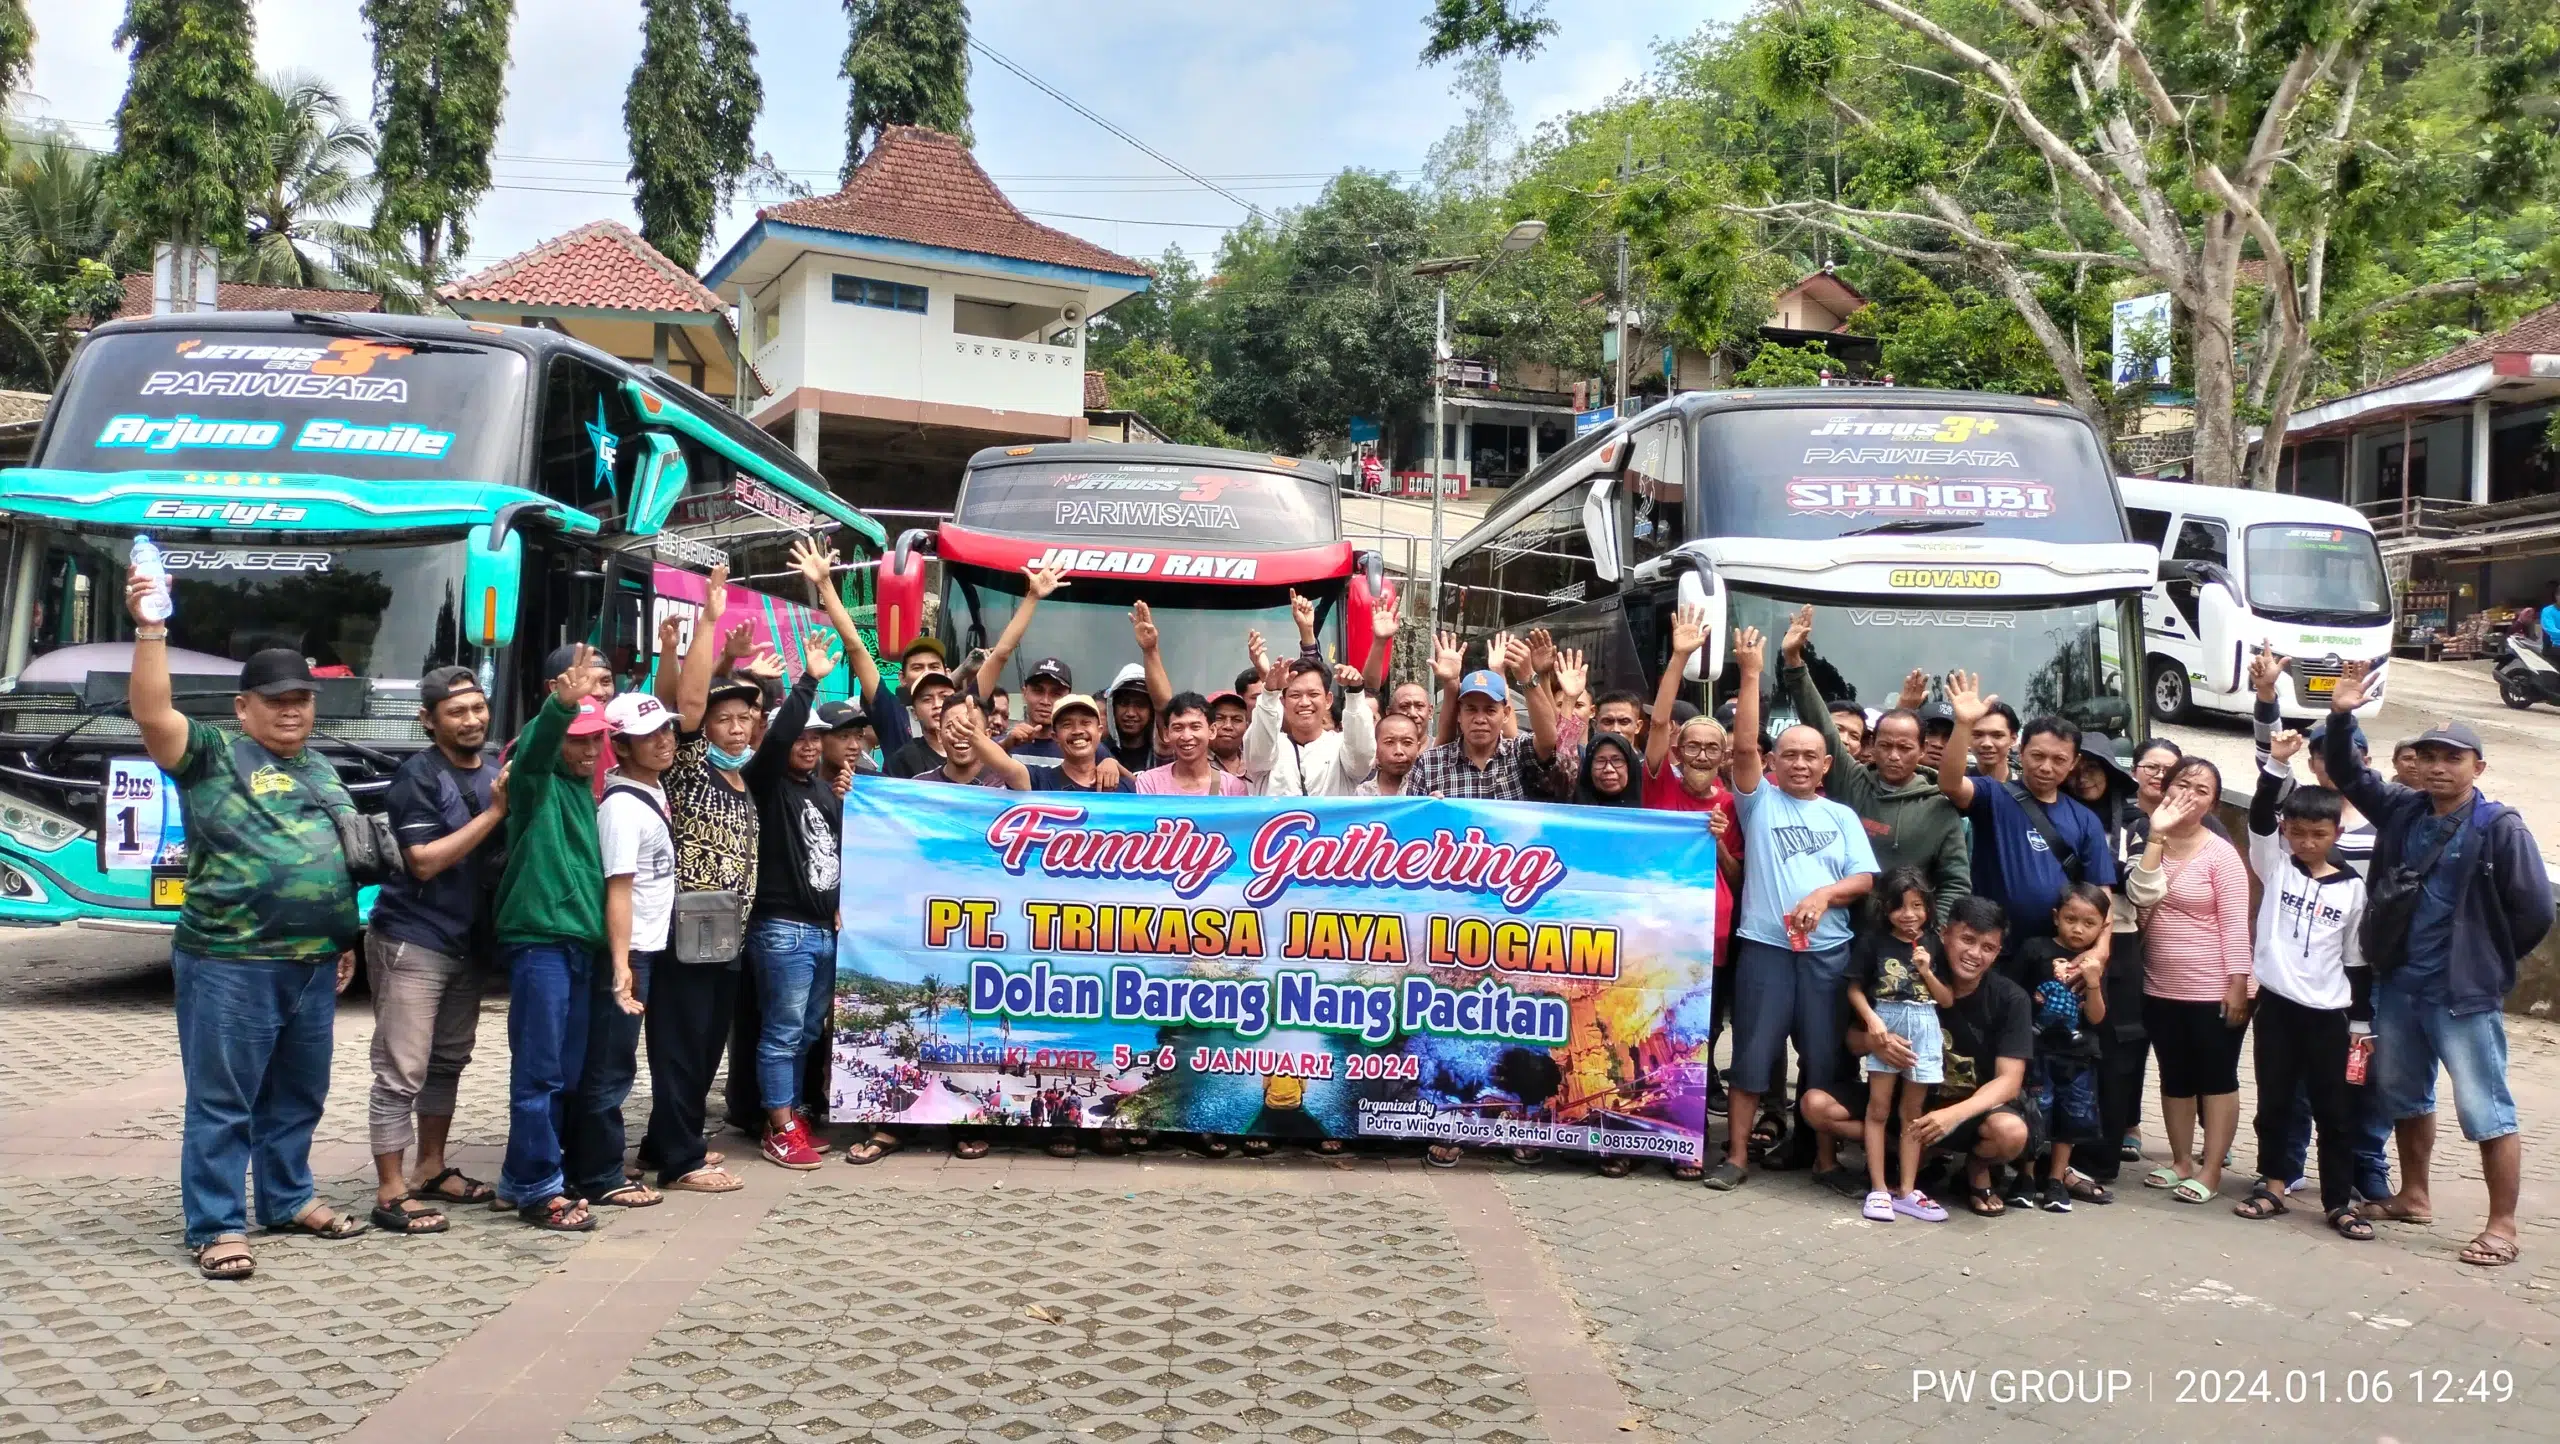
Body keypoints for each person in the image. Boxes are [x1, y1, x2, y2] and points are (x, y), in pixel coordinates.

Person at [125, 567, 370, 1276]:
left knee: (298, 1095)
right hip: (231, 960)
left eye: (301, 700)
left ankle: (288, 1199)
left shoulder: (323, 770)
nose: (292, 711)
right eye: (276, 701)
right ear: (243, 707)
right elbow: (152, 714)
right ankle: (215, 1224)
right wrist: (151, 629)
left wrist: (345, 935)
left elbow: (339, 855)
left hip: (315, 962)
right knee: (224, 1100)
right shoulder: (210, 756)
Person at [2327, 663, 2553, 1267]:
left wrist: (2488, 961)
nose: (2437, 767)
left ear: (2477, 767)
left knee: (2486, 1106)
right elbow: (2348, 772)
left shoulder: (2497, 827)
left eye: (2452, 758)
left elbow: (2534, 908)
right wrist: (2342, 711)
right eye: (2427, 756)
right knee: (2406, 1094)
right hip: (2399, 983)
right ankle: (2415, 1195)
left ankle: (2502, 1225)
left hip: (2462, 993)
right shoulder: (2403, 810)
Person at [1705, 625, 1877, 1192]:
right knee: (1752, 1056)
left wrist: (1824, 895)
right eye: (1790, 755)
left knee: (1824, 1060)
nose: (1799, 764)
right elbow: (1744, 744)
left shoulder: (1842, 818)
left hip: (1828, 953)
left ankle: (1825, 1161)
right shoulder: (1759, 804)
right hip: (1766, 951)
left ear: (1828, 765)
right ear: (1772, 762)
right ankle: (1736, 1157)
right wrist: (1751, 673)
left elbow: (1862, 878)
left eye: (1811, 757)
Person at [363, 665, 509, 1234]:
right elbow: (422, 860)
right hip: (413, 939)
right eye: (457, 712)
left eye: (477, 708)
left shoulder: (494, 771)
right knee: (402, 1068)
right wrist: (497, 812)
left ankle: (429, 1167)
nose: (472, 720)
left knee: (449, 1061)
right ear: (429, 720)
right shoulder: (417, 777)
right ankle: (391, 1189)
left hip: (468, 944)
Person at [641, 565, 766, 1196]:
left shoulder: (744, 778)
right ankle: (681, 1160)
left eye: (746, 718)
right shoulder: (688, 765)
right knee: (681, 1043)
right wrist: (709, 626)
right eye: (725, 719)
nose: (735, 728)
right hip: (690, 920)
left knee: (705, 1043)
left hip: (727, 932)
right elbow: (685, 702)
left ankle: (667, 1139)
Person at [492, 645, 614, 1233]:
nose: (589, 750)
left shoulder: (587, 792)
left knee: (563, 1072)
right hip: (540, 941)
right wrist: (557, 713)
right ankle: (541, 1190)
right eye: (579, 739)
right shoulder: (534, 782)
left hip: (579, 947)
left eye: (597, 740)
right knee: (539, 1073)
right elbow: (537, 754)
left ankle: (521, 1178)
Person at [2237, 734, 2374, 1241]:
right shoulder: (2275, 866)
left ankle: (2338, 1201)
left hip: (2328, 1016)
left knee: (2334, 1111)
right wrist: (2276, 762)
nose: (2306, 842)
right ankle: (2273, 1184)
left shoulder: (2353, 889)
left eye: (2318, 834)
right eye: (2296, 832)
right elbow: (2257, 815)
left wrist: (2361, 1025)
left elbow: (2357, 962)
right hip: (2276, 1007)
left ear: (2336, 831)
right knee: (2273, 1101)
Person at [1778, 608, 1969, 924]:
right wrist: (1795, 662)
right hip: (1838, 930)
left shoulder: (1940, 806)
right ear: (1871, 747)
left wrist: (1934, 935)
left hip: (1906, 941)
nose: (1894, 755)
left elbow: (1955, 883)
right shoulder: (1851, 781)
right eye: (1885, 745)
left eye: (1905, 748)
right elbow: (1821, 724)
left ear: (1921, 751)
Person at [565, 691, 678, 1213]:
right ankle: (600, 1174)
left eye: (666, 730)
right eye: (648, 736)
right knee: (609, 1067)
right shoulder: (622, 809)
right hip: (628, 953)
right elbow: (618, 890)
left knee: (615, 1064)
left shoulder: (649, 794)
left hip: (646, 950)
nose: (664, 741)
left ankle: (597, 1163)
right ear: (622, 746)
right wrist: (620, 966)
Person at [737, 633, 847, 1172]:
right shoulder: (762, 780)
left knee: (805, 1032)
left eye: (816, 737)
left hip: (823, 929)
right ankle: (780, 1129)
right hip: (780, 929)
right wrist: (808, 682)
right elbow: (776, 739)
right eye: (800, 736)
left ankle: (786, 1115)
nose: (806, 743)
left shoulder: (823, 791)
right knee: (782, 1032)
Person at [1855, 895, 2036, 1217]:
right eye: (1967, 939)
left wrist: (1953, 1115)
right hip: (1903, 1105)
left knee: (2010, 1133)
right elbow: (1851, 1041)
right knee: (1818, 1107)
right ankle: (1918, 1155)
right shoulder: (1900, 975)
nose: (1974, 954)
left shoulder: (2011, 998)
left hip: (1966, 1114)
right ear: (1943, 934)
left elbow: (2010, 1082)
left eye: (1988, 947)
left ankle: (1975, 1166)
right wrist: (1877, 1042)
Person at [2128, 757, 2251, 1206]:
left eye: (2202, 790)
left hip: (2213, 987)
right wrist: (2156, 834)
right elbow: (2140, 900)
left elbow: (2237, 925)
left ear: (2214, 802)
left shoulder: (2221, 854)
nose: (2189, 795)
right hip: (2159, 982)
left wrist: (2238, 984)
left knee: (2216, 1078)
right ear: (2164, 788)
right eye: (2183, 784)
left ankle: (2211, 1168)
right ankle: (2180, 1160)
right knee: (2174, 1075)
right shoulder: (2147, 839)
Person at [1643, 603, 1743, 1136]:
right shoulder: (1661, 785)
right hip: (1660, 937)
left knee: (1703, 1032)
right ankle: (1651, 1125)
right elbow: (1658, 720)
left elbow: (1740, 876)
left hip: (1716, 938)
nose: (1702, 754)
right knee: (1656, 1031)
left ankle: (1691, 1131)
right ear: (1678, 750)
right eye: (1694, 745)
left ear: (1724, 756)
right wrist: (1680, 655)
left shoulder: (1734, 802)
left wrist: (1724, 845)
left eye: (1713, 747)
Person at [1935, 671, 2116, 949]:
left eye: (2059, 760)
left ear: (2074, 762)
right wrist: (1962, 725)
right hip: (1990, 949)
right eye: (2037, 756)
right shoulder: (1992, 795)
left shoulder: (2085, 819)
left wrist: (2101, 949)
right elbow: (1949, 784)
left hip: (2056, 954)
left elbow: (2101, 895)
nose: (2046, 767)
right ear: (2020, 751)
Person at [1844, 868, 1953, 1222]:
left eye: (1917, 905)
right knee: (1878, 1110)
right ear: (1886, 908)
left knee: (1912, 1113)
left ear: (1928, 907)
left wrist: (1927, 971)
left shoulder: (1935, 942)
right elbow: (1854, 988)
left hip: (1925, 1023)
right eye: (1900, 906)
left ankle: (1907, 1190)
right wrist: (1873, 1022)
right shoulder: (1873, 941)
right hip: (1886, 1022)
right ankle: (1878, 1189)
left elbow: (1946, 999)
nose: (1909, 914)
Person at [2008, 883, 2112, 1212]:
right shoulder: (2034, 949)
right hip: (2036, 1050)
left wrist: (2093, 982)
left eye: (2089, 923)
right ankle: (2025, 1176)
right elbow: (2013, 995)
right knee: (2033, 1112)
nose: (2078, 929)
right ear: (2056, 917)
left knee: (2070, 1119)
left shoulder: (2094, 962)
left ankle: (2055, 1180)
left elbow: (2096, 1017)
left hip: (2077, 1056)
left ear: (2102, 926)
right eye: (2070, 919)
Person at [1408, 630, 1560, 803]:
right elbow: (1411, 823)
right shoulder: (1429, 764)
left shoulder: (1518, 754)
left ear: (1506, 714)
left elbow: (1548, 740)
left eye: (1490, 710)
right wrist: (1427, 811)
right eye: (1471, 709)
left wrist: (1527, 678)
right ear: (1459, 713)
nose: (1480, 719)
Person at [1245, 655, 1377, 796]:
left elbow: (1361, 759)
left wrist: (1355, 693)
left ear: (1328, 700)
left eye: (1313, 694)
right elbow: (1258, 752)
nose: (1304, 702)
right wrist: (1270, 693)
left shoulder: (1340, 747)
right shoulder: (1270, 749)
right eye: (1295, 695)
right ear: (1283, 702)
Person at [1135, 693, 1248, 797]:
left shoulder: (1233, 787)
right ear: (1166, 734)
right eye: (1178, 728)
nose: (1186, 736)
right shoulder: (1149, 783)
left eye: (1195, 727)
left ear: (1212, 731)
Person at [921, 693, 1032, 792]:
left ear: (987, 735)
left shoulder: (1008, 784)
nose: (962, 733)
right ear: (939, 735)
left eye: (971, 727)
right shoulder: (921, 787)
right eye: (953, 727)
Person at [1032, 694, 1135, 794]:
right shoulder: (1041, 781)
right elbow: (1015, 771)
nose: (1077, 731)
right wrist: (1015, 742)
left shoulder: (1124, 787)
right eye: (1067, 725)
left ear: (1099, 731)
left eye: (1086, 723)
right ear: (1055, 737)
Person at [1357, 710, 1425, 797]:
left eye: (1407, 743)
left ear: (1418, 748)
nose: (1399, 751)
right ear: (1375, 748)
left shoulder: (1425, 792)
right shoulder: (1360, 796)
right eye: (1389, 742)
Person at [1207, 691, 1253, 778]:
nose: (1228, 726)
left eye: (1237, 720)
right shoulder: (1191, 764)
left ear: (1246, 727)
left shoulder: (1257, 764)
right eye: (1219, 718)